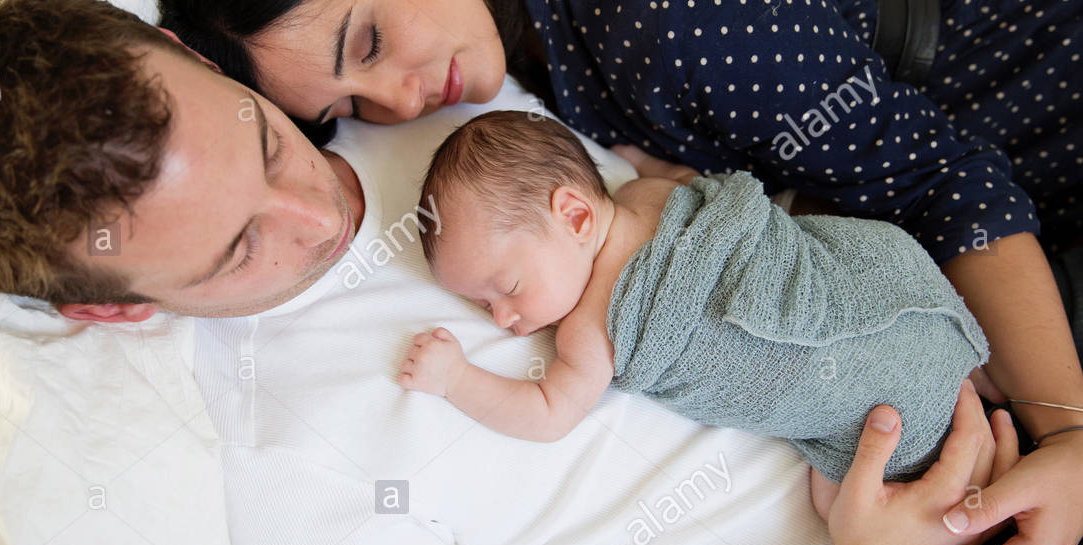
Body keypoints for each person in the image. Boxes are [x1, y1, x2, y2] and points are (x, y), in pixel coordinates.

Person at [0, 0, 1083, 545]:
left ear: (191, 52)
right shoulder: (290, 467)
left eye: (262, 140)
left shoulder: (407, 96)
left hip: (1003, 334)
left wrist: (1070, 417)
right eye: (239, 247)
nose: (316, 206)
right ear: (120, 305)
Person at [148, 0, 1083, 545]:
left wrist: (1075, 436)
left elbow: (946, 177)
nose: (401, 96)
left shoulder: (653, 0)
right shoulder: (525, 38)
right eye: (352, 107)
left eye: (367, 40)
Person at [399, 110, 987, 518]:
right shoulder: (641, 196)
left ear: (576, 215)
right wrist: (632, 158)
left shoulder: (589, 332)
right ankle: (965, 369)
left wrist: (457, 379)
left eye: (506, 288)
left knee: (834, 509)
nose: (501, 319)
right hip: (893, 272)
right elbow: (686, 180)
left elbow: (546, 415)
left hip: (865, 391)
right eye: (482, 306)